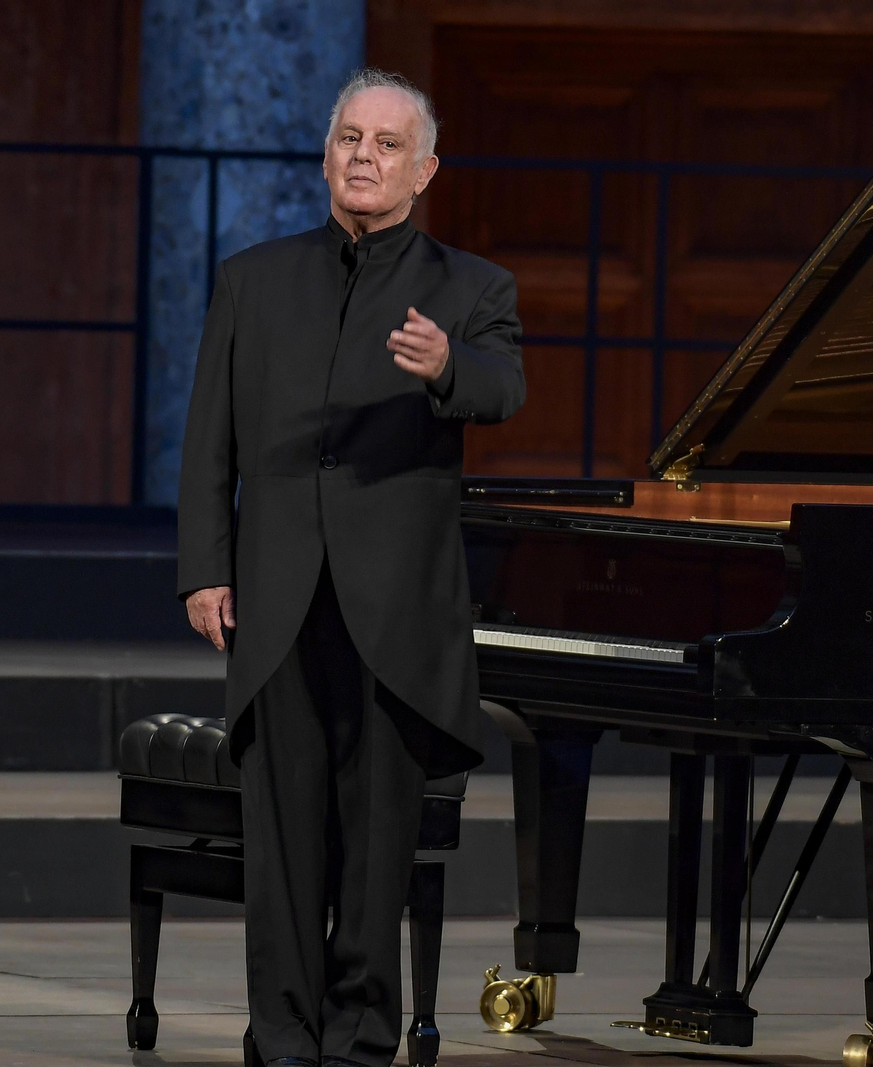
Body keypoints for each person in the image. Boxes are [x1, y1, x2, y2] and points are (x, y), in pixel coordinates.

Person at [176, 68, 524, 1067]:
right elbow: (209, 440)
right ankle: (281, 1036)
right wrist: (205, 564)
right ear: (325, 154)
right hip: (277, 590)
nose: (363, 156)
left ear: (424, 169)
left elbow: (504, 386)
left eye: (385, 143)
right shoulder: (253, 277)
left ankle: (362, 1035)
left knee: (377, 843)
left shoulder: (469, 287)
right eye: (348, 138)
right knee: (281, 838)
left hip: (393, 605)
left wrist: (446, 365)